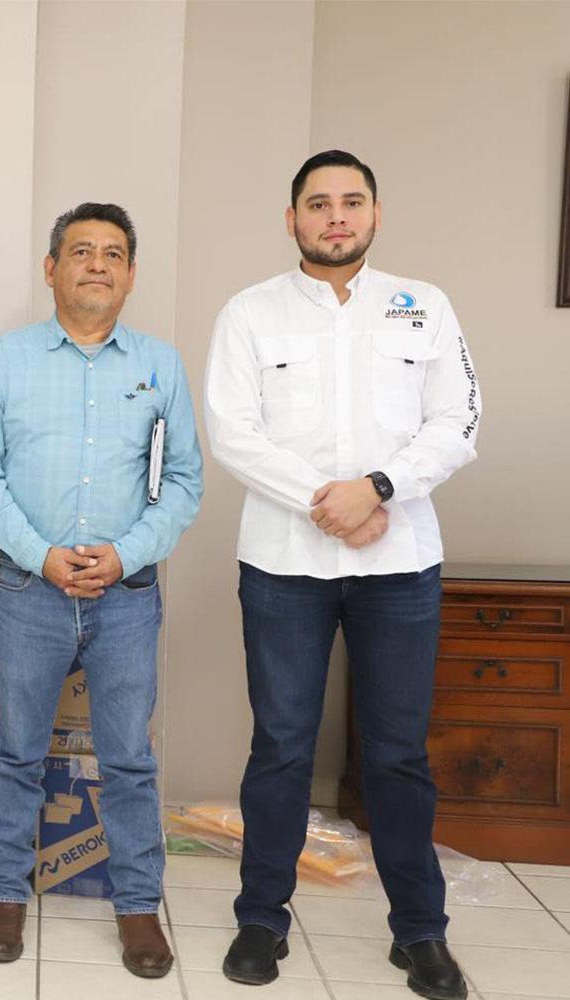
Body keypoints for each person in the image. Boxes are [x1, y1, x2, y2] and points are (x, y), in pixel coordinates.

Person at [205, 150, 481, 1000]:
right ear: (290, 218)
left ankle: (420, 933)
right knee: (281, 747)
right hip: (284, 563)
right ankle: (262, 918)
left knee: (397, 755)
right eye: (317, 203)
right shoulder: (250, 312)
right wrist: (332, 503)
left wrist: (380, 489)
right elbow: (233, 431)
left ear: (375, 214)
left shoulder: (423, 306)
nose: (335, 216)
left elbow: (460, 420)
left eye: (351, 202)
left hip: (399, 563)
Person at [0, 203, 203, 974]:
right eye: (80, 251)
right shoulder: (5, 359)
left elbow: (183, 481)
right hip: (29, 592)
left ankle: (137, 906)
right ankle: (5, 893)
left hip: (126, 597)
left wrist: (125, 554)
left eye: (113, 254)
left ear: (130, 275)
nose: (97, 264)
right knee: (17, 750)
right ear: (51, 268)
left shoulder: (161, 365)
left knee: (128, 756)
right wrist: (41, 557)